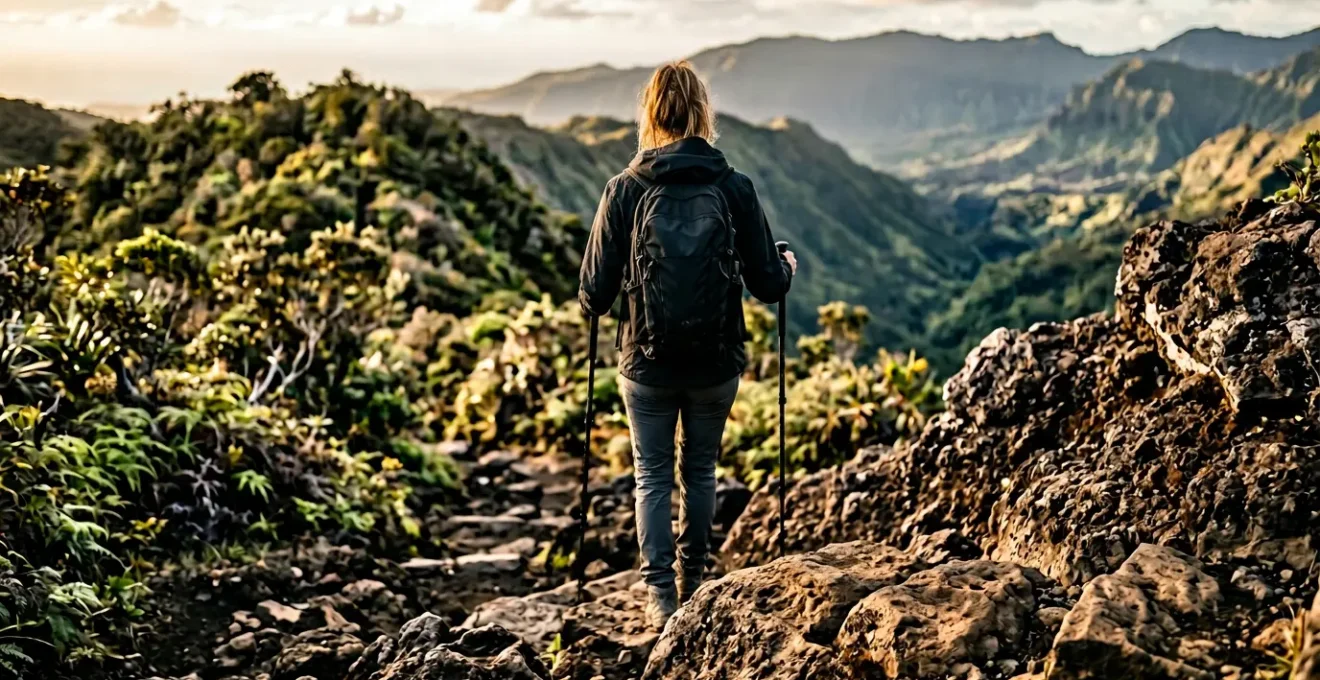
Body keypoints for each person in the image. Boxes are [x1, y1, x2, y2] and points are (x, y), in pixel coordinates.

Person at [577, 59, 797, 631]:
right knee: (700, 471)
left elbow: (594, 296)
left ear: (648, 113)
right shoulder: (734, 187)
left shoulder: (624, 189)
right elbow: (768, 283)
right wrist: (787, 264)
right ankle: (696, 578)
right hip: (715, 361)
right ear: (704, 112)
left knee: (651, 475)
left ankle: (659, 596)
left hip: (644, 364)